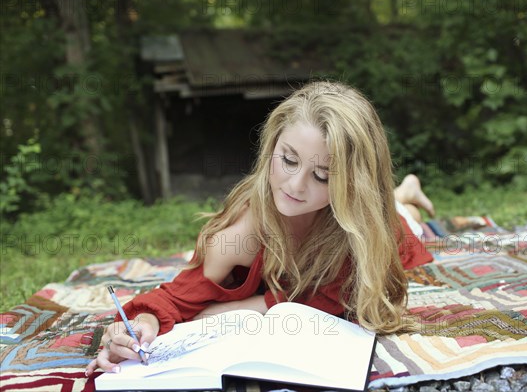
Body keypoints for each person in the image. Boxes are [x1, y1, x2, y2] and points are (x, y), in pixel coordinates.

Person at [85, 81, 435, 376]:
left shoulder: (367, 226)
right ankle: (403, 190)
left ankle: (405, 193)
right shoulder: (242, 232)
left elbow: (367, 300)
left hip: (366, 218)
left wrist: (253, 306)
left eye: (322, 175)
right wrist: (141, 325)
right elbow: (175, 299)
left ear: (354, 184)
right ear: (272, 146)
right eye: (288, 159)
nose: (295, 186)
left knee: (410, 224)